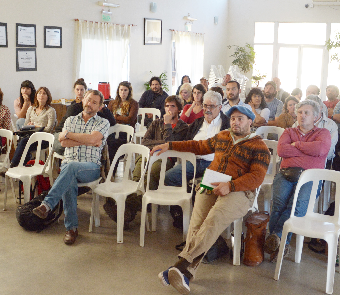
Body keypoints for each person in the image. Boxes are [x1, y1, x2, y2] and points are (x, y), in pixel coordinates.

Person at [152, 105, 270, 295]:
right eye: (232, 118)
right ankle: (186, 274)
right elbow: (198, 146)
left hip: (240, 191)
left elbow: (256, 178)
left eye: (240, 118)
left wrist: (230, 186)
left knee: (214, 219)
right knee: (196, 224)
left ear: (250, 121)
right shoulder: (223, 136)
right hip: (212, 184)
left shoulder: (259, 147)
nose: (235, 122)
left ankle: (180, 265)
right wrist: (170, 145)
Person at [32, 90, 110, 245]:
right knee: (69, 176)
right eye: (88, 100)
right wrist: (87, 140)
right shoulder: (70, 120)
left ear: (100, 106)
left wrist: (71, 135)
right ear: (83, 101)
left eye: (95, 102)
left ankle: (47, 205)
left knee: (70, 168)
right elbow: (64, 143)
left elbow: (93, 138)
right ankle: (71, 229)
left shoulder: (103, 123)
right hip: (69, 165)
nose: (90, 104)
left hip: (91, 167)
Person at [104, 95, 189, 225]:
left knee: (150, 174)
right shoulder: (156, 123)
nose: (169, 109)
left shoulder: (183, 127)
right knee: (137, 177)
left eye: (173, 106)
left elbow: (171, 144)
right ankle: (132, 209)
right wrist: (162, 144)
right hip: (147, 154)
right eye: (167, 106)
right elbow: (145, 142)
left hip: (166, 159)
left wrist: (167, 126)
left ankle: (127, 209)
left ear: (179, 109)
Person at [264, 100, 331, 261]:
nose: (302, 116)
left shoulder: (323, 133)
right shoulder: (288, 131)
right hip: (286, 173)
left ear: (316, 116)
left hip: (311, 177)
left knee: (297, 207)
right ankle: (281, 245)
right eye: (300, 112)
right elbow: (281, 150)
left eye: (307, 113)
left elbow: (321, 149)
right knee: (279, 205)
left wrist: (297, 145)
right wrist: (308, 150)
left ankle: (276, 237)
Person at [165, 91, 231, 228]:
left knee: (204, 189)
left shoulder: (226, 124)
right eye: (205, 105)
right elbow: (187, 141)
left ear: (219, 107)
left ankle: (200, 220)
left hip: (214, 164)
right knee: (169, 177)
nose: (207, 109)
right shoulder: (198, 123)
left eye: (211, 106)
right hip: (193, 161)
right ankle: (180, 213)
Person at [53, 78, 115, 155]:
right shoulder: (74, 107)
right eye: (77, 90)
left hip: (72, 137)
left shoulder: (93, 110)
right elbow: (64, 142)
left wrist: (104, 107)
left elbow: (112, 121)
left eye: (82, 90)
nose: (79, 92)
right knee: (63, 147)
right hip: (61, 133)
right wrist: (91, 142)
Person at [11, 87, 57, 167]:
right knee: (23, 142)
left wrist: (36, 126)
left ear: (48, 97)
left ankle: (14, 165)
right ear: (36, 96)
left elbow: (48, 129)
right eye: (39, 93)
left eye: (44, 93)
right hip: (30, 136)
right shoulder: (31, 109)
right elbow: (25, 125)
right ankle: (23, 166)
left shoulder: (50, 110)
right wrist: (29, 126)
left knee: (23, 142)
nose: (41, 95)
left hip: (44, 138)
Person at [302, 95, 339, 168]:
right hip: (301, 160)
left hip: (322, 160)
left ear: (321, 108)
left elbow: (329, 150)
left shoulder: (330, 125)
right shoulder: (298, 123)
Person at [107, 81, 138, 162]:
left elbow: (130, 119)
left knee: (115, 144)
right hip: (112, 130)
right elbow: (108, 117)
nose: (123, 92)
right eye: (121, 90)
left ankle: (112, 168)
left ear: (129, 91)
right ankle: (108, 168)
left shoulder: (133, 103)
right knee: (107, 142)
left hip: (126, 131)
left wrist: (115, 117)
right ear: (118, 91)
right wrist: (119, 118)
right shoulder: (112, 102)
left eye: (125, 90)